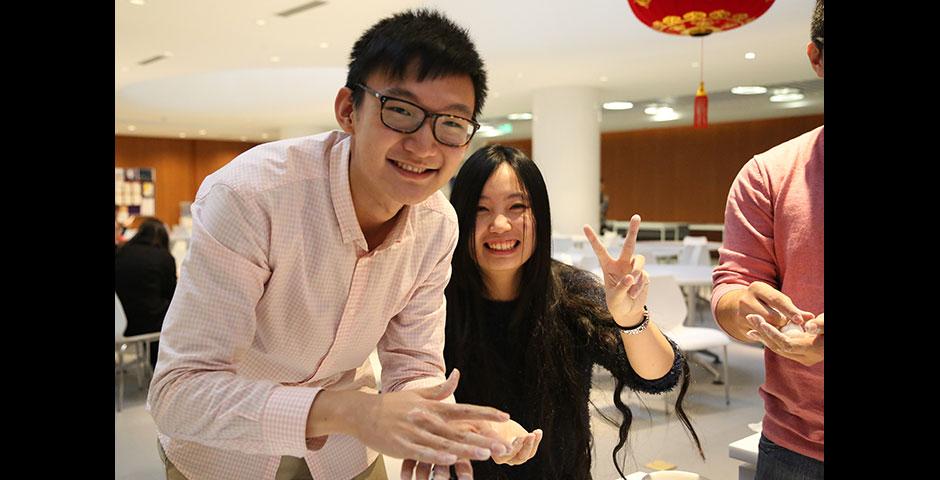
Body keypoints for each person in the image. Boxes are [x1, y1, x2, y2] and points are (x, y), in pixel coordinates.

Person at [147, 9, 514, 480]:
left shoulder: (438, 224)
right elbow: (179, 393)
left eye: (451, 124)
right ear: (348, 110)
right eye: (400, 111)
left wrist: (436, 427)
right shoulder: (251, 197)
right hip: (223, 454)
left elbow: (414, 359)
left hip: (346, 455)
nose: (425, 147)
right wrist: (348, 412)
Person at [439, 145, 703, 479]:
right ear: (459, 216)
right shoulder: (437, 298)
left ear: (539, 216)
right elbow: (412, 397)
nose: (501, 224)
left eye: (517, 206)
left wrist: (631, 319)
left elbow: (659, 376)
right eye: (481, 209)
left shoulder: (569, 290)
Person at [710, 2, 824, 478]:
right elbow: (732, 290)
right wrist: (747, 310)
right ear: (817, 58)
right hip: (794, 444)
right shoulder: (769, 175)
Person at [114, 217, 176, 369]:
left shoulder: (121, 252)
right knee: (172, 312)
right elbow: (172, 295)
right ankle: (162, 368)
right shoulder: (164, 257)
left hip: (122, 323)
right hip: (151, 323)